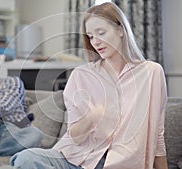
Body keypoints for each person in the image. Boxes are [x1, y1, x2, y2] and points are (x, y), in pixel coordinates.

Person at [10, 2, 168, 169]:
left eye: (101, 33)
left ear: (121, 30)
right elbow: (75, 137)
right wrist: (90, 118)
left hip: (120, 163)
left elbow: (157, 132)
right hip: (75, 159)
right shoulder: (80, 75)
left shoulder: (151, 73)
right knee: (25, 158)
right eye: (91, 36)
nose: (95, 42)